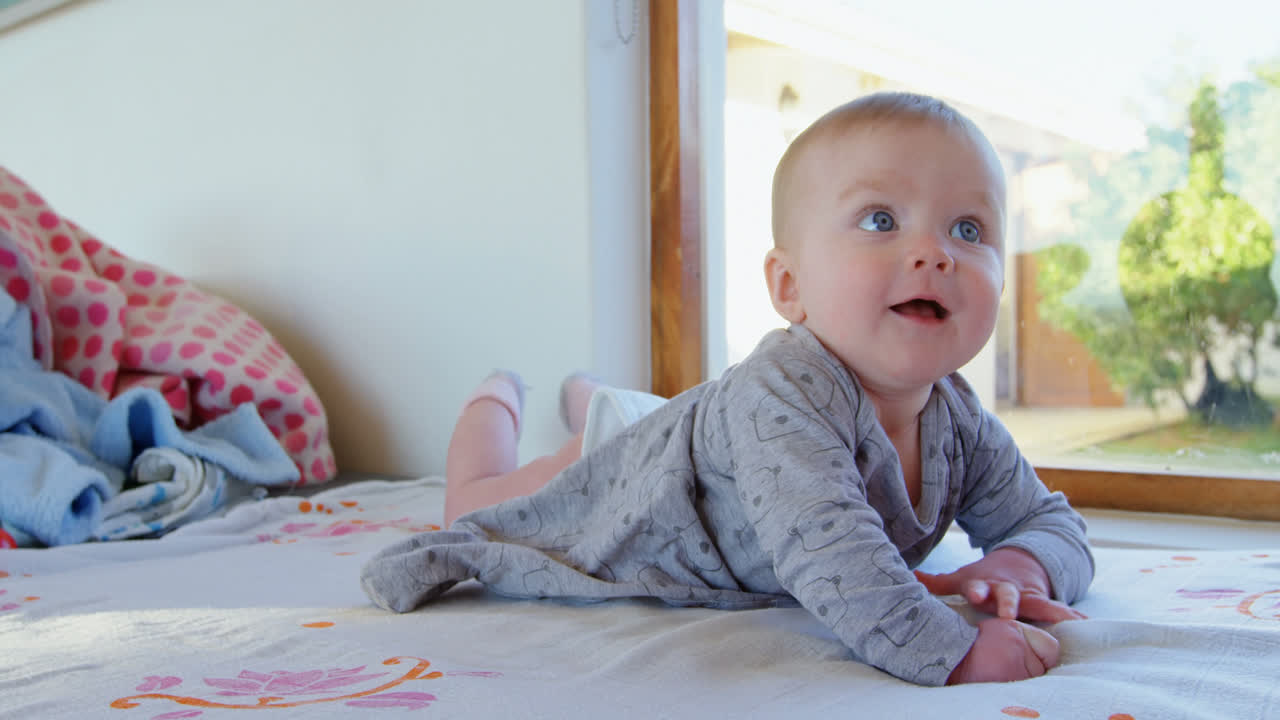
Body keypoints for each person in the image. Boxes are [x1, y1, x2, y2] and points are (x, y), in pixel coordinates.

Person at [361, 91, 1094, 687]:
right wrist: (954, 653)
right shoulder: (788, 392)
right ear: (789, 285)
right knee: (481, 505)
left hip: (694, 446)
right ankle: (500, 393)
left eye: (969, 228)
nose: (934, 252)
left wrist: (1015, 564)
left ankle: (592, 395)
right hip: (632, 477)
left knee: (627, 415)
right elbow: (831, 554)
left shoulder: (958, 419)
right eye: (881, 220)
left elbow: (1055, 525)